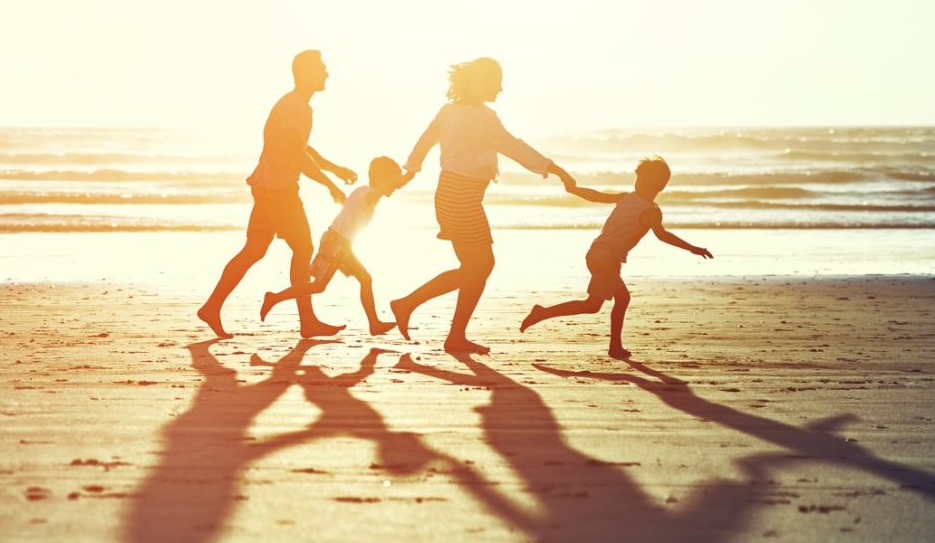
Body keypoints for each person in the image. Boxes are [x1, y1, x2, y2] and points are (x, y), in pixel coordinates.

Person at [389, 57, 571, 356]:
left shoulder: (449, 111)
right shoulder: (482, 117)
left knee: (476, 267)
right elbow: (513, 146)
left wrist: (411, 168)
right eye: (496, 81)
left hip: (451, 194)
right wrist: (555, 169)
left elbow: (426, 139)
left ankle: (423, 314)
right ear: (479, 83)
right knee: (480, 266)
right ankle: (425, 316)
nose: (500, 88)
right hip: (460, 196)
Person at [197, 50, 357, 339]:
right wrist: (329, 184)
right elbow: (295, 154)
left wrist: (334, 169)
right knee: (303, 248)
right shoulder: (295, 107)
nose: (327, 74)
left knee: (255, 249)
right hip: (278, 190)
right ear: (305, 71)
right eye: (322, 68)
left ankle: (211, 306)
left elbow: (302, 148)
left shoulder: (296, 105)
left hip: (267, 186)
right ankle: (307, 321)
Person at [520, 156, 713, 358]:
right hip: (607, 257)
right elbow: (662, 235)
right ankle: (543, 313)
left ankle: (615, 346)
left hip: (597, 252)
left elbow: (596, 196)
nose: (636, 183)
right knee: (592, 305)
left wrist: (575, 189)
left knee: (621, 298)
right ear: (662, 186)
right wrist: (692, 248)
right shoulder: (651, 211)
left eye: (639, 179)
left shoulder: (626, 197)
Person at [259, 156, 406, 335]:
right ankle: (274, 298)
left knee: (365, 279)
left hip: (342, 244)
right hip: (337, 244)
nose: (394, 188)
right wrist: (391, 182)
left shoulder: (363, 192)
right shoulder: (368, 194)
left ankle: (374, 324)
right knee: (319, 286)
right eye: (391, 182)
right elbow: (374, 195)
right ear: (382, 179)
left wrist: (408, 174)